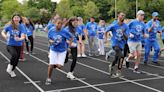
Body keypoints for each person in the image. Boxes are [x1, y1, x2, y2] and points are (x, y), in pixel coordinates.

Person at [45, 19, 73, 85]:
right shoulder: (51, 30)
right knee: (51, 65)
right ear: (55, 23)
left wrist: (69, 47)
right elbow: (49, 39)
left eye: (61, 23)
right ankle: (48, 78)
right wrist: (51, 41)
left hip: (62, 50)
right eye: (58, 23)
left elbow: (71, 38)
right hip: (53, 49)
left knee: (59, 66)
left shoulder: (64, 31)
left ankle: (53, 64)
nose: (59, 25)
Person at [105, 12, 128, 77]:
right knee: (121, 56)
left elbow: (127, 38)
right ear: (118, 16)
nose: (123, 16)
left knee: (116, 58)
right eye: (122, 15)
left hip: (121, 44)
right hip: (115, 44)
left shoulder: (125, 26)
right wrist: (105, 39)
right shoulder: (114, 25)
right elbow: (106, 31)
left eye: (124, 15)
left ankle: (111, 65)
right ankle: (118, 71)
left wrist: (123, 33)